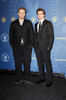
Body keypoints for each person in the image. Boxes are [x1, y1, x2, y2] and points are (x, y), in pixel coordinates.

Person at [9, 7, 33, 84]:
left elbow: (31, 35)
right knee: (18, 63)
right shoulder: (13, 23)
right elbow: (11, 35)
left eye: (23, 12)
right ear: (18, 13)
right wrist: (13, 45)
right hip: (17, 47)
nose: (22, 14)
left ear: (25, 14)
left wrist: (31, 45)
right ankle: (19, 78)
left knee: (27, 62)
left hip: (27, 47)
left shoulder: (29, 22)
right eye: (20, 12)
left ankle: (26, 78)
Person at [34, 8, 54, 87]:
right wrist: (34, 45)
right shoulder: (36, 24)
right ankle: (42, 77)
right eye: (38, 14)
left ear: (44, 14)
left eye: (41, 14)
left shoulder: (48, 23)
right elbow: (36, 36)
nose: (39, 15)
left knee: (47, 63)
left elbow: (51, 36)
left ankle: (49, 79)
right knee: (40, 63)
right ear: (37, 15)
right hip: (37, 47)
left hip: (45, 47)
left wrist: (49, 47)